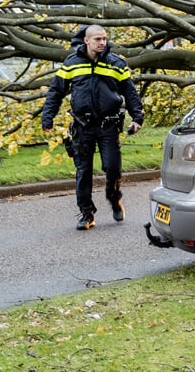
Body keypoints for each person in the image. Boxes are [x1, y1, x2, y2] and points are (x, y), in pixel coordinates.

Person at [42, 24, 143, 230]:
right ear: (86, 41)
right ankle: (87, 214)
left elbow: (130, 92)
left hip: (108, 125)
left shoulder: (116, 64)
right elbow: (56, 91)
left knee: (112, 168)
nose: (102, 42)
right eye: (97, 39)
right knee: (83, 171)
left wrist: (137, 117)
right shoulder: (72, 63)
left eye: (104, 38)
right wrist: (48, 118)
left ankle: (114, 198)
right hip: (82, 126)